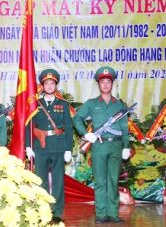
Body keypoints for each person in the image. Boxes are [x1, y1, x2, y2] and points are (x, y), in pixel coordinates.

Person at [72, 66, 130, 224]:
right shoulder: (91, 103)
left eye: (108, 82)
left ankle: (113, 214)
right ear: (98, 84)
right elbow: (77, 119)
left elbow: (125, 127)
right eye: (102, 82)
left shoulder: (119, 105)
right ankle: (101, 214)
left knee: (113, 180)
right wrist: (85, 134)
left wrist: (126, 146)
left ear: (112, 84)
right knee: (100, 181)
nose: (105, 85)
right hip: (98, 145)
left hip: (116, 146)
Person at [24, 69, 73, 224]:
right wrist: (28, 145)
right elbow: (29, 126)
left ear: (56, 85)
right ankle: (43, 210)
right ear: (42, 85)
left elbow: (69, 127)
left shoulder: (63, 104)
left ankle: (57, 211)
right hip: (40, 147)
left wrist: (68, 149)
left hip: (58, 146)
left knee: (58, 180)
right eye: (47, 83)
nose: (50, 86)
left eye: (52, 83)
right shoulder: (35, 104)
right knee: (41, 180)